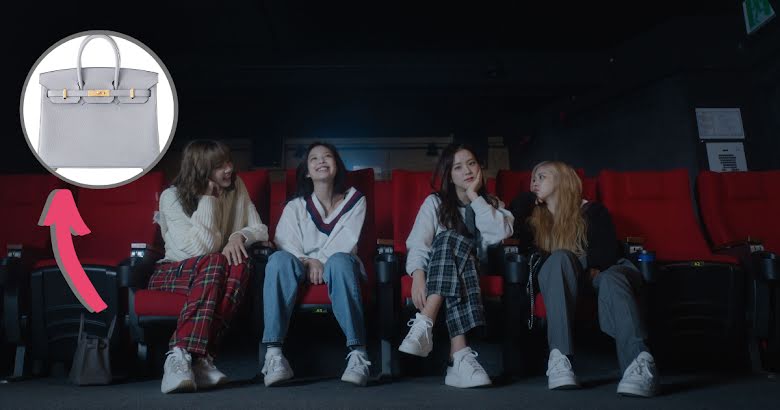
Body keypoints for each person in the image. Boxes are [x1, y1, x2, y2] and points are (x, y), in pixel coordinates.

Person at [509, 161, 658, 397]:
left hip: (605, 271)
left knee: (611, 279)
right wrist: (530, 199)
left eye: (541, 177)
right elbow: (517, 225)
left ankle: (639, 364)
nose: (534, 182)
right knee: (559, 259)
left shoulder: (592, 211)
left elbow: (606, 255)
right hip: (563, 276)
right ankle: (559, 360)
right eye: (532, 179)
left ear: (562, 180)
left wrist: (583, 266)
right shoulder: (535, 220)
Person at [151, 139, 269, 393]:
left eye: (228, 162)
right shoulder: (171, 197)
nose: (229, 169)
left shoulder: (237, 186)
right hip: (174, 272)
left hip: (214, 272)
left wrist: (238, 237)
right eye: (219, 166)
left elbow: (260, 229)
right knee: (216, 260)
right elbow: (201, 249)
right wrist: (207, 199)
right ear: (201, 170)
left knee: (240, 264)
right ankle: (181, 354)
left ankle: (195, 358)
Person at [399, 144, 514, 388]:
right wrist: (418, 275)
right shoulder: (435, 202)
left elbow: (500, 233)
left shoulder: (491, 204)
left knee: (450, 239)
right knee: (448, 239)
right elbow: (419, 243)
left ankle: (425, 322)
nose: (467, 171)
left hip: (478, 268)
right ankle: (459, 357)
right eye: (458, 167)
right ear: (449, 175)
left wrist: (475, 197)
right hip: (448, 272)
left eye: (471, 164)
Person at [261, 142, 372, 387]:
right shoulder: (295, 206)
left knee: (340, 262)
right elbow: (284, 242)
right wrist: (308, 261)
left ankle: (358, 354)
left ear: (336, 166)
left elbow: (347, 241)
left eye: (327, 156)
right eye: (314, 158)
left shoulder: (355, 200)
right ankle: (274, 355)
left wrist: (321, 261)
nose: (321, 160)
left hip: (340, 265)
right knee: (277, 260)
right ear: (308, 173)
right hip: (301, 265)